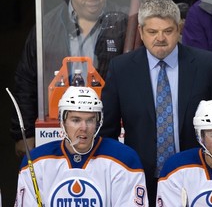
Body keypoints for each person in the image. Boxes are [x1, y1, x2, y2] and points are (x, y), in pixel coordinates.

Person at [99, 0, 212, 205]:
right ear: (142, 32)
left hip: (197, 176)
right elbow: (107, 131)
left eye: (168, 31)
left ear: (179, 29)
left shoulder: (206, 65)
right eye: (152, 32)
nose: (160, 38)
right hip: (139, 179)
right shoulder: (121, 69)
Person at [10, 0, 129, 158]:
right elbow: (26, 82)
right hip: (55, 133)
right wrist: (24, 134)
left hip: (109, 132)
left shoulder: (125, 24)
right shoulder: (46, 27)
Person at [14, 86, 148, 206]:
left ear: (98, 122)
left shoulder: (124, 160)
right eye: (76, 120)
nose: (84, 128)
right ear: (62, 121)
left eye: (90, 120)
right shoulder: (36, 162)